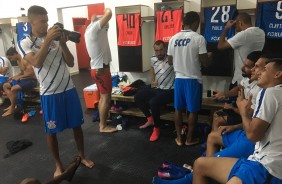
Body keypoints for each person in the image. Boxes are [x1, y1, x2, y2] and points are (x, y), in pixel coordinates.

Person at [17, 5, 94, 177]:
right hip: (49, 94)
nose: (46, 25)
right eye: (42, 22)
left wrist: (63, 44)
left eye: (47, 21)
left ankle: (82, 156)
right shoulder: (25, 42)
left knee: (77, 126)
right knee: (51, 132)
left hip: (69, 89)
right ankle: (58, 165)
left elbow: (71, 62)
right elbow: (36, 62)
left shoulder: (55, 38)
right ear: (31, 22)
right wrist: (47, 41)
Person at [193, 58, 282, 184]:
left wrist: (242, 110)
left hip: (267, 166)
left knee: (201, 165)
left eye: (265, 69)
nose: (258, 72)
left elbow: (252, 135)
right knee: (200, 164)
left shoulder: (271, 92)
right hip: (262, 159)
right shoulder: (275, 92)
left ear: (277, 74)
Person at [206, 54, 269, 158]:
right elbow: (239, 88)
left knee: (200, 164)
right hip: (245, 127)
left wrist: (237, 108)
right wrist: (224, 94)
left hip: (254, 142)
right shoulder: (248, 80)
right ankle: (216, 150)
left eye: (255, 67)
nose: (251, 69)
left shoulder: (266, 93)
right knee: (213, 133)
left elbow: (253, 131)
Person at [167, 11, 211, 146]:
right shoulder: (199, 38)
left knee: (178, 109)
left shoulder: (173, 38)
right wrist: (210, 55)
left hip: (179, 79)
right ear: (195, 23)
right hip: (193, 80)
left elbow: (169, 61)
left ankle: (179, 139)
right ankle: (189, 139)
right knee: (193, 111)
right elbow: (205, 63)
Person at [134, 40, 175, 141]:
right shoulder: (153, 58)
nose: (159, 53)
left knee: (153, 103)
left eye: (161, 50)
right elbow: (152, 68)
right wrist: (152, 80)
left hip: (170, 90)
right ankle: (150, 119)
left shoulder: (171, 59)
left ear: (165, 49)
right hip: (158, 88)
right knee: (137, 97)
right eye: (156, 51)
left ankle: (157, 129)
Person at [211, 51, 262, 131]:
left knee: (218, 119)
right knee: (216, 114)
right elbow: (239, 87)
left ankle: (217, 139)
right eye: (244, 64)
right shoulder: (246, 78)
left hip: (247, 117)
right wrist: (225, 94)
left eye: (247, 66)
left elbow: (251, 115)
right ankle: (217, 140)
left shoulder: (259, 88)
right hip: (241, 111)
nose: (242, 68)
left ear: (255, 69)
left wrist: (232, 108)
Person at [84, 8, 117, 133]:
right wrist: (101, 14)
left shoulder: (90, 29)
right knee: (106, 98)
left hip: (97, 69)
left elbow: (93, 16)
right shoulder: (93, 29)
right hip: (101, 70)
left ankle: (102, 122)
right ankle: (103, 126)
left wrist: (95, 17)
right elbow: (108, 12)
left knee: (103, 98)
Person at [218, 12, 265, 90]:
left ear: (240, 23)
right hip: (254, 75)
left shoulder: (244, 35)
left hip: (241, 78)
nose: (234, 27)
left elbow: (220, 46)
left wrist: (226, 28)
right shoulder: (261, 32)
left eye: (235, 24)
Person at [2, 47, 37, 117]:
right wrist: (14, 76)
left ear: (15, 54)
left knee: (14, 88)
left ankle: (12, 107)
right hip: (24, 80)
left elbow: (32, 73)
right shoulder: (18, 61)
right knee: (5, 85)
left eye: (11, 58)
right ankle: (13, 104)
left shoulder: (25, 60)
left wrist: (20, 77)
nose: (11, 60)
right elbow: (22, 72)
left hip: (32, 80)